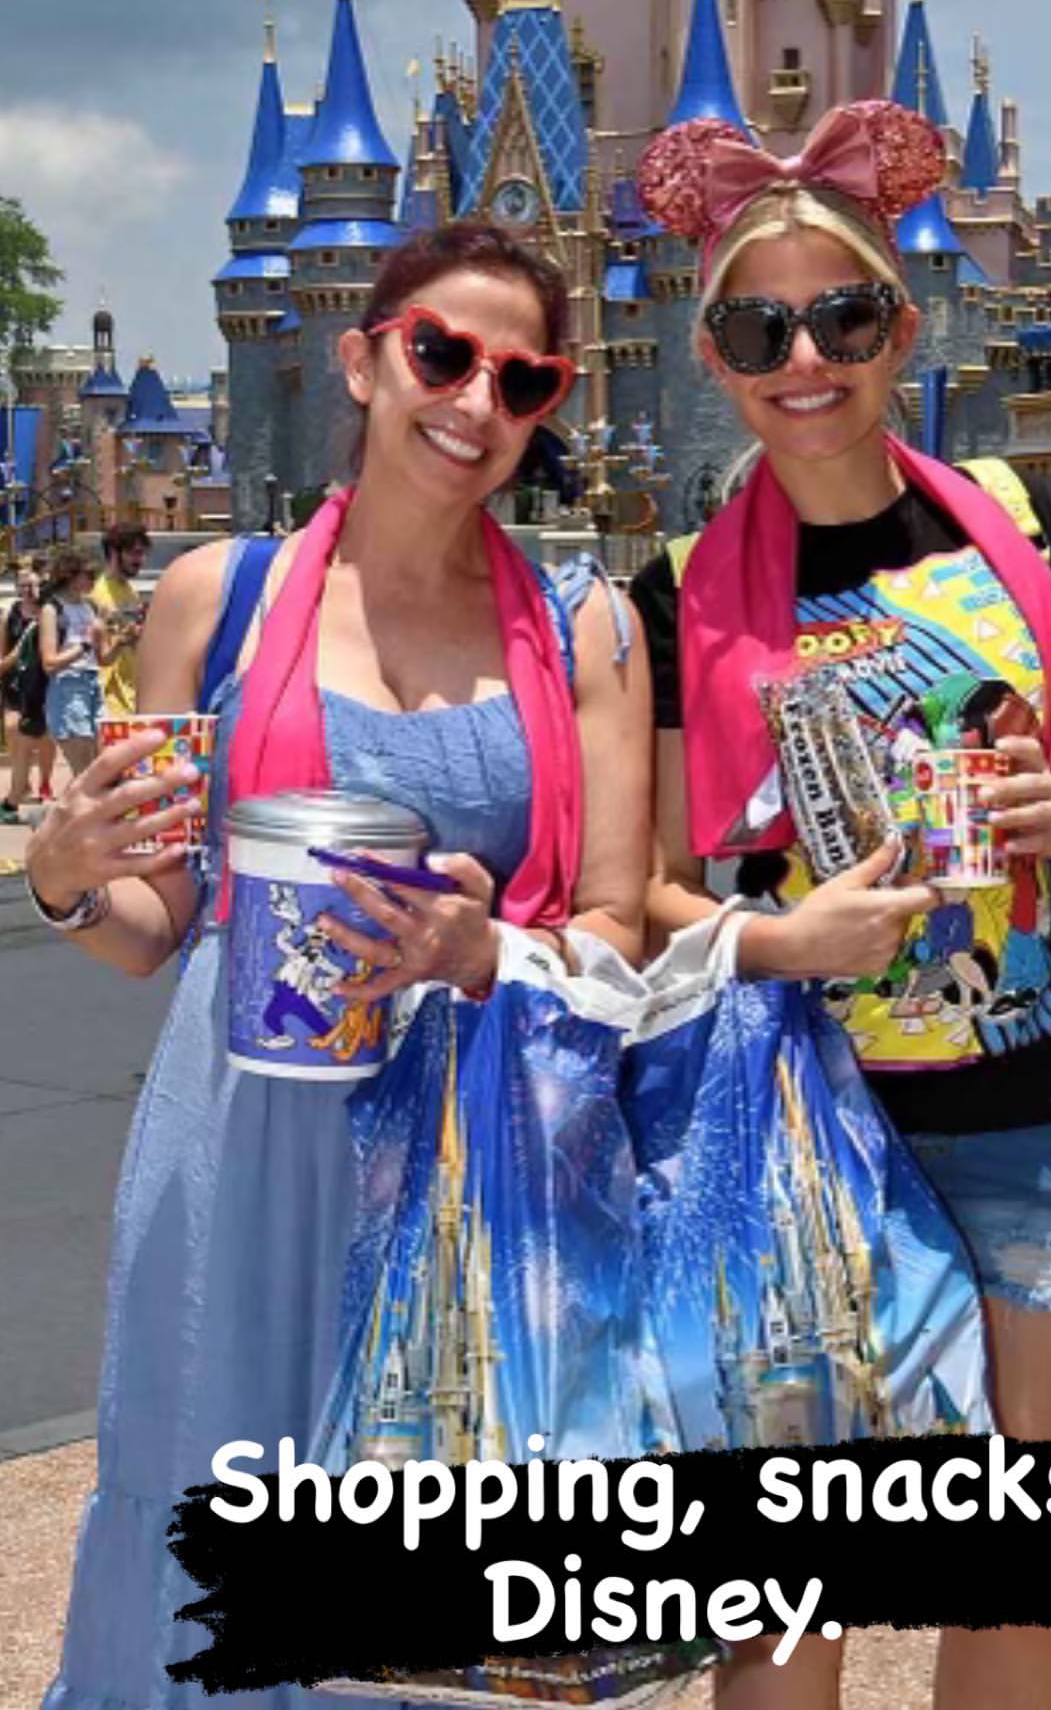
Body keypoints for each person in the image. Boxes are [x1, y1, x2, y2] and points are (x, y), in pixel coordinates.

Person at [31, 223, 653, 1710]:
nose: (475, 401)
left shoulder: (589, 630)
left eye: (524, 378)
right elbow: (155, 924)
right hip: (246, 1147)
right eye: (443, 353)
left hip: (468, 1154)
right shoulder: (214, 599)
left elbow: (620, 923)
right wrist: (65, 876)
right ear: (364, 357)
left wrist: (481, 941)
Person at [631, 100, 1051, 1710]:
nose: (806, 356)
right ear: (715, 354)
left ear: (901, 326)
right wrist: (787, 937)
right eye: (759, 324)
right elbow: (642, 891)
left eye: (842, 315)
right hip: (797, 1109)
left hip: (1012, 1101)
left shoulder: (1010, 523)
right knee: (794, 1579)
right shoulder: (680, 586)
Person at [38, 548, 107, 778]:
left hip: (93, 683)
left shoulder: (91, 607)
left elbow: (103, 658)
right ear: (70, 575)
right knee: (85, 772)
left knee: (98, 768)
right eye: (87, 575)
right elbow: (49, 662)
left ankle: (76, 813)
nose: (92, 580)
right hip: (68, 686)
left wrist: (123, 640)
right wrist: (86, 644)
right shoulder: (52, 609)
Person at [0, 569, 56, 816]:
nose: (27, 591)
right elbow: (3, 658)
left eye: (31, 585)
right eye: (22, 585)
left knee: (45, 737)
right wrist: (15, 656)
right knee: (13, 729)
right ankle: (22, 783)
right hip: (16, 684)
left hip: (43, 682)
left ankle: (45, 781)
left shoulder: (49, 613)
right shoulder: (8, 616)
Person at [92, 521, 153, 718]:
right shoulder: (95, 593)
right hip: (105, 692)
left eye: (143, 553)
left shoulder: (131, 593)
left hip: (130, 691)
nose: (140, 560)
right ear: (113, 551)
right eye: (135, 553)